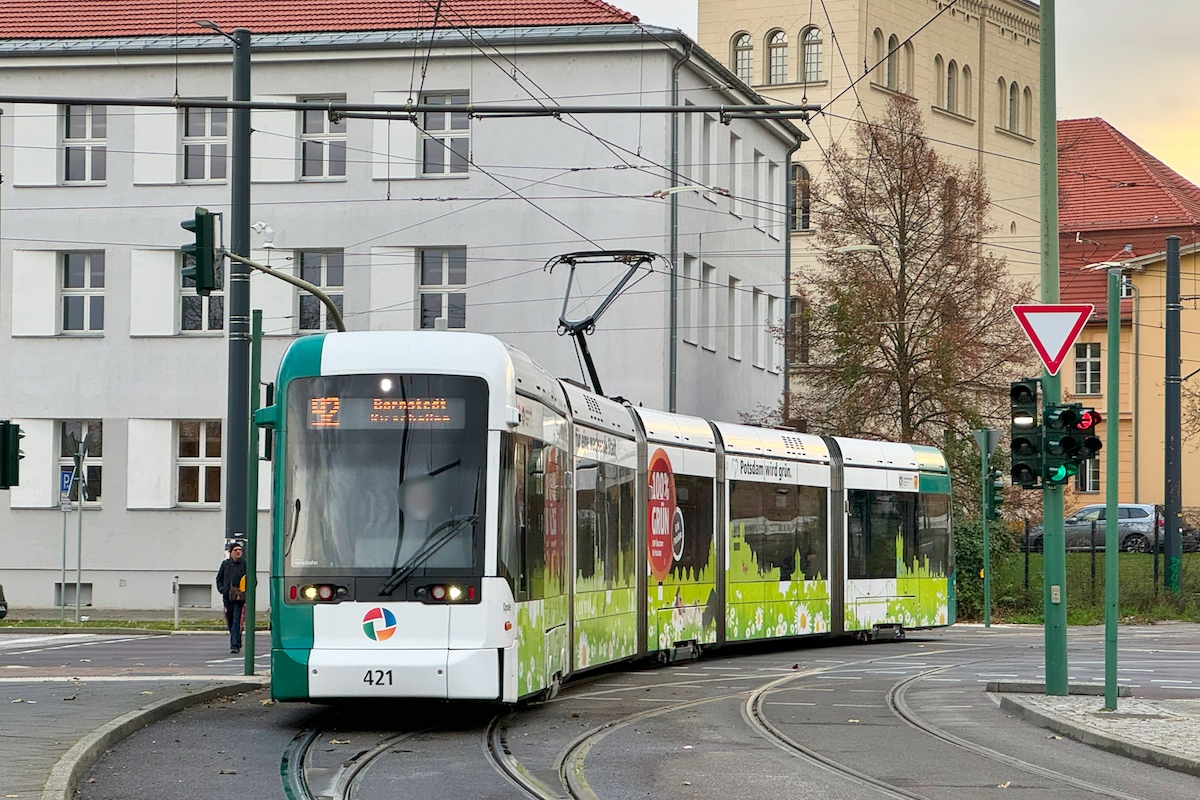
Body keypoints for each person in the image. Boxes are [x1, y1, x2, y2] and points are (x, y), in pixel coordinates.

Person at [216, 542, 247, 654]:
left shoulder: (245, 564)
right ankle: (237, 641)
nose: (238, 552)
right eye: (235, 550)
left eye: (240, 550)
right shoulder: (225, 564)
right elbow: (219, 578)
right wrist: (222, 589)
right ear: (231, 552)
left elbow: (253, 581)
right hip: (227, 598)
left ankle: (234, 645)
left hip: (240, 600)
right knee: (230, 620)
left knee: (237, 621)